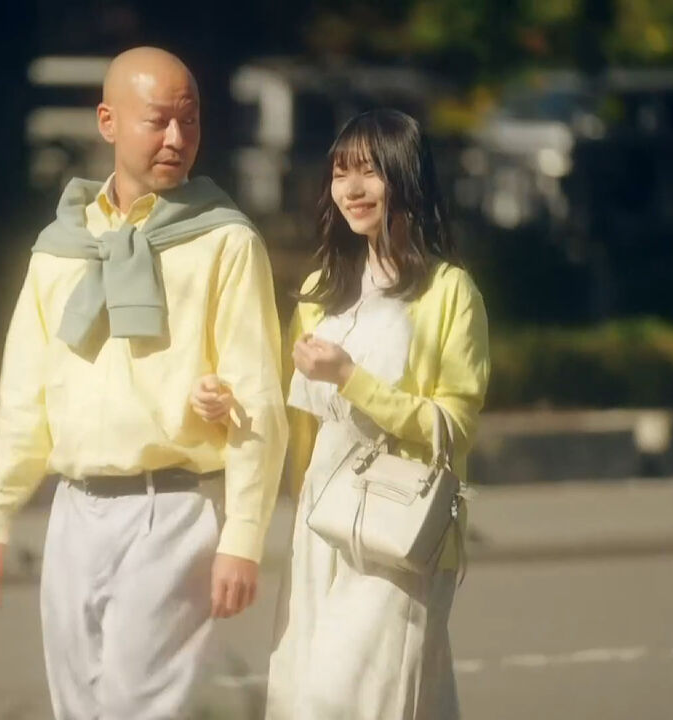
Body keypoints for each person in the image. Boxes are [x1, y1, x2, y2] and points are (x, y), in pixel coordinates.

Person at [0, 47, 288, 719]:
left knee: (140, 709)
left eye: (190, 120)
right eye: (158, 120)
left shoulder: (226, 242)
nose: (177, 138)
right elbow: (24, 396)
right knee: (78, 709)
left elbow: (258, 399)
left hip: (172, 511)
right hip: (74, 513)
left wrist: (243, 537)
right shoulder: (61, 247)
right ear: (107, 122)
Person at [192, 109, 490, 719]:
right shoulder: (319, 292)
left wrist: (352, 378)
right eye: (339, 173)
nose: (351, 189)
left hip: (400, 525)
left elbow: (452, 427)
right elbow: (288, 413)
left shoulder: (449, 292)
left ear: (405, 177)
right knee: (315, 691)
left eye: (369, 172)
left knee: (352, 699)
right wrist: (227, 405)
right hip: (321, 520)